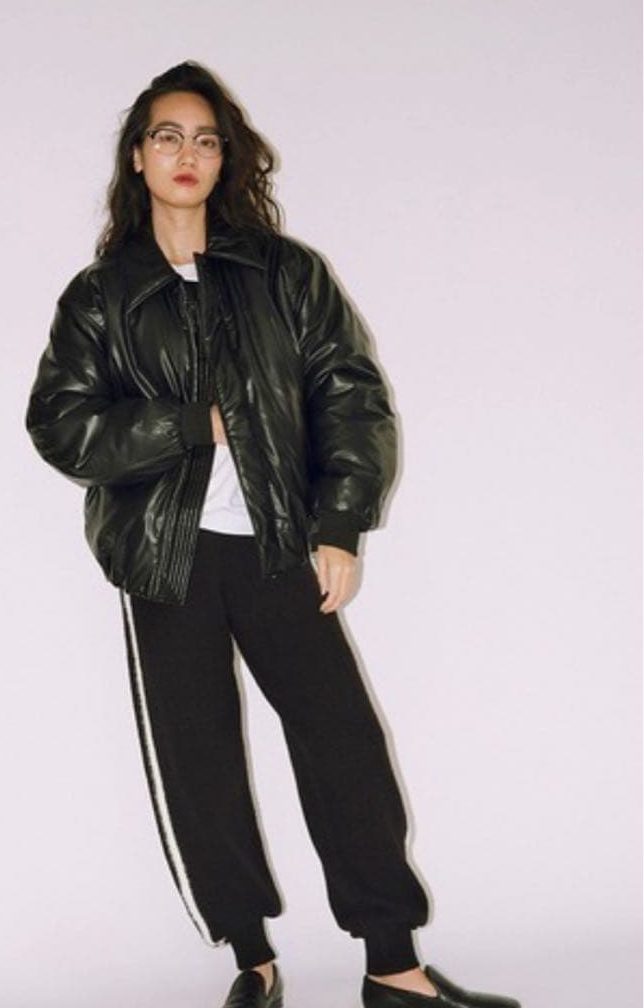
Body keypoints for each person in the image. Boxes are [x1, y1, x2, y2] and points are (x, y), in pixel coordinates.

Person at [25, 61, 520, 1008]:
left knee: (343, 743)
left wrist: (341, 524)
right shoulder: (101, 295)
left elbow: (351, 396)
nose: (187, 154)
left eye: (206, 139)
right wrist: (189, 424)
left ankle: (393, 965)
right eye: (167, 136)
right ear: (138, 157)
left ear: (226, 159)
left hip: (278, 544)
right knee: (199, 759)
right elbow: (61, 425)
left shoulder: (284, 274)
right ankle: (251, 962)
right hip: (165, 559)